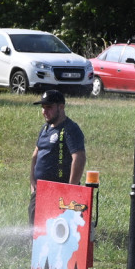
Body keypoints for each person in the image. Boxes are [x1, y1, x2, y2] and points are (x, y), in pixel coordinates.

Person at [29, 89, 86, 226]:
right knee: (35, 233)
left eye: (49, 107)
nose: (44, 111)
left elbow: (79, 158)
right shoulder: (45, 128)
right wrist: (32, 184)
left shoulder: (70, 129)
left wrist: (71, 189)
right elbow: (35, 155)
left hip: (59, 192)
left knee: (56, 234)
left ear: (61, 107)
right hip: (40, 191)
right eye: (43, 108)